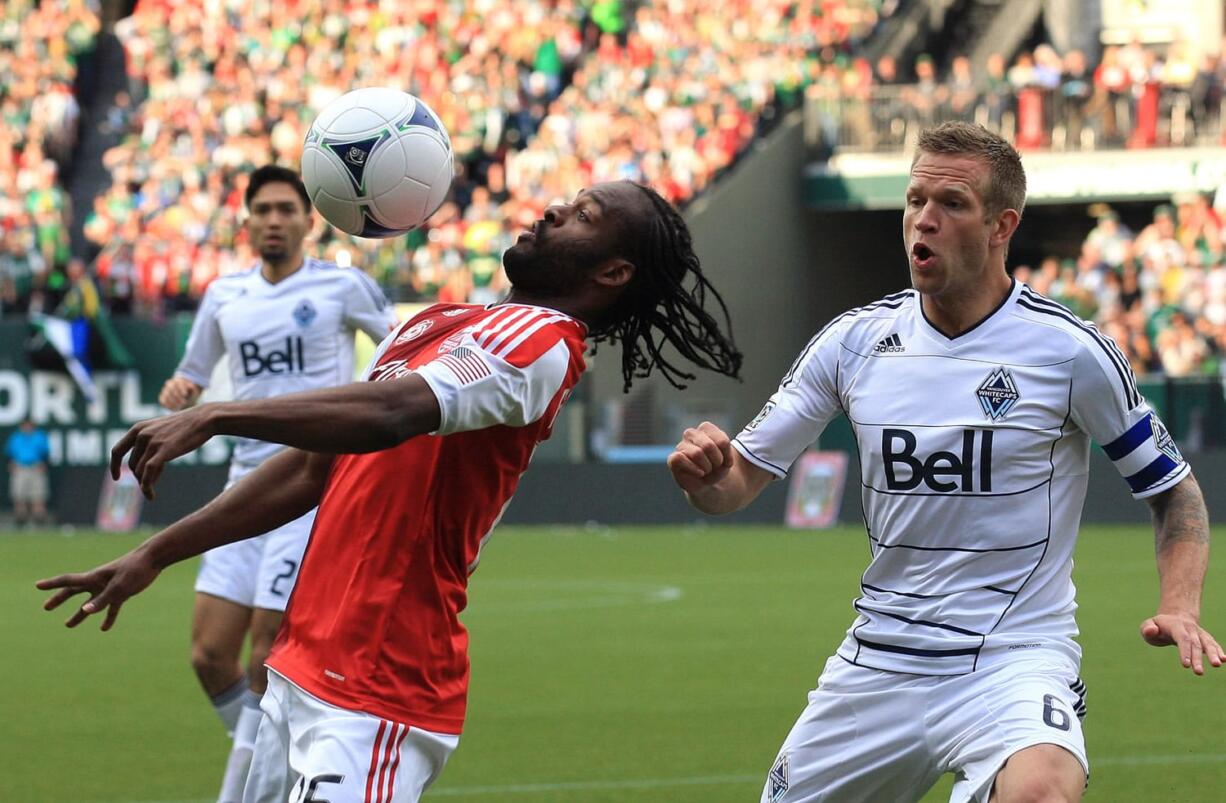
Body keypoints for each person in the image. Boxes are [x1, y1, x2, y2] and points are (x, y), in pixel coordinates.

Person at [38, 180, 742, 802]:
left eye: (585, 214)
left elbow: (391, 412)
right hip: (299, 667)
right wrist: (156, 553)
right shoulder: (435, 322)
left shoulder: (544, 342)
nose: (555, 209)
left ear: (613, 270)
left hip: (379, 687)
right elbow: (314, 469)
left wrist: (216, 413)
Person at [666, 121, 1222, 803]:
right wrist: (707, 478)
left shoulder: (1069, 352)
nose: (922, 220)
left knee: (1041, 790)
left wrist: (1180, 604)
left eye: (951, 204)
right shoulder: (854, 343)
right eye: (914, 200)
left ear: (1001, 225)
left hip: (1014, 660)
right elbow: (737, 482)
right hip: (879, 664)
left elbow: (1173, 490)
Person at [154, 164, 398, 803]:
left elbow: (401, 351)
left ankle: (246, 791)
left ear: (307, 219)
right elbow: (192, 375)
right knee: (210, 655)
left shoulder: (343, 286)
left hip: (310, 487)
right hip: (242, 485)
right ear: (246, 222)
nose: (272, 220)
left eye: (285, 209)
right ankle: (277, 760)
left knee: (267, 652)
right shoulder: (224, 296)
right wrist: (181, 391)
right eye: (261, 209)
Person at [6, 418, 51, 527]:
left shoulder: (39, 437)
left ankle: (39, 522)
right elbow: (9, 453)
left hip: (35, 467)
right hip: (20, 467)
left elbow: (46, 452)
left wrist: (44, 464)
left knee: (38, 496)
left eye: (29, 425)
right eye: (25, 425)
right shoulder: (16, 438)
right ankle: (20, 522)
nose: (27, 427)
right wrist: (11, 463)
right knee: (19, 496)